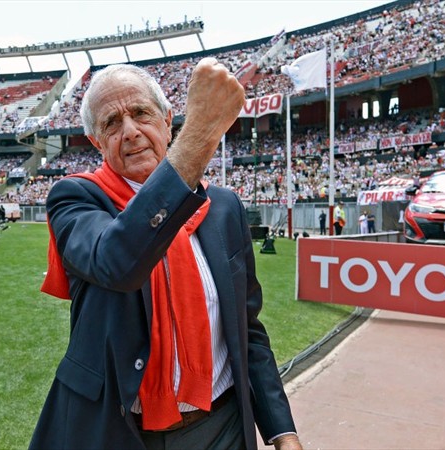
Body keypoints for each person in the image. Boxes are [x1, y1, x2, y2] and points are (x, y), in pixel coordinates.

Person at [31, 61, 302, 450]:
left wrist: (282, 431)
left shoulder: (223, 207)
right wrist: (201, 133)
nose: (130, 132)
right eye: (111, 123)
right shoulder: (75, 199)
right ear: (96, 142)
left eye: (141, 113)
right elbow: (118, 261)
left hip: (221, 426)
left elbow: (247, 332)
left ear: (167, 119)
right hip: (121, 431)